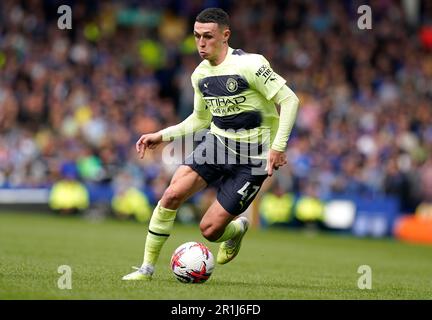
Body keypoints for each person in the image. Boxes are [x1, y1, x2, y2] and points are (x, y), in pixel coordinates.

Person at [122, 7, 299, 280]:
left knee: (210, 230)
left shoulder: (251, 65)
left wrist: (278, 147)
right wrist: (162, 135)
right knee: (171, 195)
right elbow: (199, 120)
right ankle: (146, 269)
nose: (201, 43)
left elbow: (289, 100)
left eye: (208, 36)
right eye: (196, 36)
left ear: (225, 35)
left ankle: (237, 230)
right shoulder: (200, 75)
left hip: (254, 158)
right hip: (217, 145)